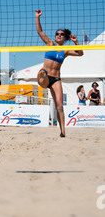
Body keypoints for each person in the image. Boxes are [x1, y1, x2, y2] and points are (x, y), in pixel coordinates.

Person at [35, 9, 83, 137]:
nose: (59, 35)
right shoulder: (49, 43)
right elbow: (39, 31)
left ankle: (62, 131)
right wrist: (37, 17)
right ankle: (41, 75)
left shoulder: (65, 51)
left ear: (65, 37)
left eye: (61, 34)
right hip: (46, 77)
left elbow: (80, 53)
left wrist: (76, 42)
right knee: (43, 75)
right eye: (57, 33)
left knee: (60, 106)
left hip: (56, 79)